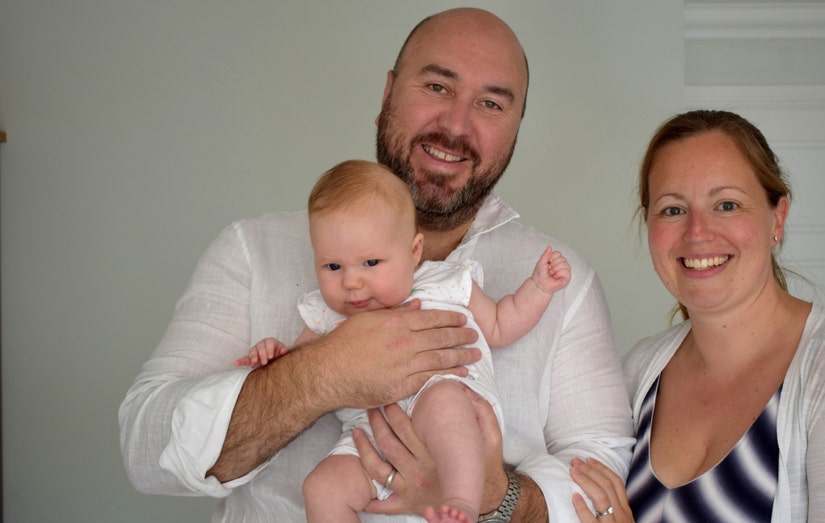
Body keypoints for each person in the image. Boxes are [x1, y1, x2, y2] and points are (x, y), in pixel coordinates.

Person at [119, 7, 634, 522]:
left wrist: (496, 498)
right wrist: (323, 373)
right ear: (388, 93)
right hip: (351, 455)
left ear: (516, 127)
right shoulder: (253, 250)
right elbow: (147, 448)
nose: (456, 124)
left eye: (491, 103)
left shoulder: (563, 280)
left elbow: (607, 477)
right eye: (437, 86)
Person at [570, 109, 825, 522]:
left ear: (778, 217)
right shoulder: (640, 371)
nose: (697, 232)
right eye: (673, 210)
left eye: (727, 204)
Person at [233, 159, 572, 523]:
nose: (352, 283)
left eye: (371, 262)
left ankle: (461, 504)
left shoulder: (445, 281)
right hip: (370, 433)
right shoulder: (325, 313)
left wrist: (538, 288)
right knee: (321, 488)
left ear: (413, 251)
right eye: (333, 267)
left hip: (444, 396)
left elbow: (503, 324)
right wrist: (272, 353)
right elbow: (298, 368)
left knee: (445, 404)